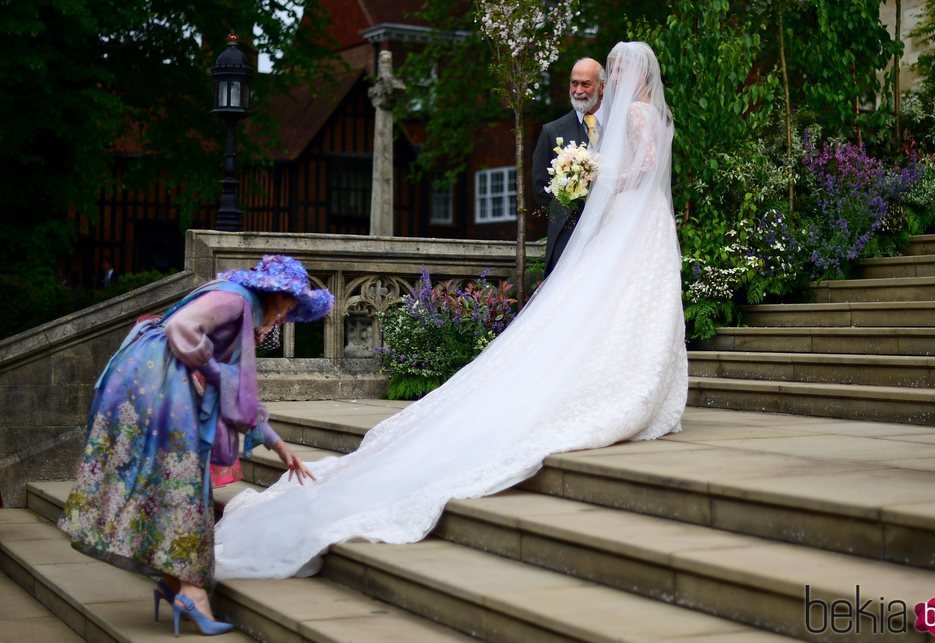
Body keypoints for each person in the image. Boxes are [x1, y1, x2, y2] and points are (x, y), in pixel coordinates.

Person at [214, 41, 686, 582]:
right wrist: (598, 179)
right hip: (639, 220)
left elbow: (641, 170)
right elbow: (644, 173)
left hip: (631, 217)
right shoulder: (644, 112)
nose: (614, 78)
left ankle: (629, 373)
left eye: (618, 70)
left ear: (629, 74)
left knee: (628, 296)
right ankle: (631, 376)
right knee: (628, 296)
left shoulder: (633, 113)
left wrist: (600, 178)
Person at [59, 255, 332, 635]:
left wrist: (277, 444)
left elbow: (237, 395)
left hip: (155, 378)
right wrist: (217, 373)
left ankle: (175, 584)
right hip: (156, 382)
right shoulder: (235, 301)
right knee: (183, 480)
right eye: (290, 304)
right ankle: (190, 590)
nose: (288, 314)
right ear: (275, 293)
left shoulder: (242, 308)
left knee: (173, 478)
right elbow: (183, 328)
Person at [532, 57, 606, 277]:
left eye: (586, 84)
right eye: (574, 83)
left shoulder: (620, 125)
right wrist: (569, 202)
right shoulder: (552, 131)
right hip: (569, 236)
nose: (578, 90)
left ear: (602, 87)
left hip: (613, 232)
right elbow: (540, 189)